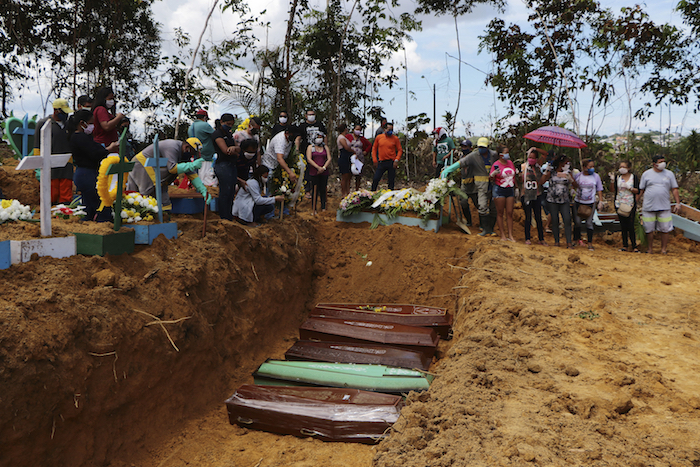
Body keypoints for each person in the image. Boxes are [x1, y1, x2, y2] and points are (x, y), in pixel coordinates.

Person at [127, 138, 207, 213]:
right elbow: (172, 168)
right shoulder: (172, 147)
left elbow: (191, 173)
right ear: (187, 147)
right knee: (145, 194)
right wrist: (192, 165)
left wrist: (203, 189)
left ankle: (164, 220)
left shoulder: (183, 153)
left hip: (153, 169)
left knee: (163, 199)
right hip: (142, 165)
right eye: (192, 153)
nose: (191, 156)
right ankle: (139, 218)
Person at [69, 109, 119, 221]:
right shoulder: (79, 137)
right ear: (82, 123)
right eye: (91, 123)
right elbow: (95, 153)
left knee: (90, 206)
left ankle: (90, 222)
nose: (92, 127)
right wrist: (109, 150)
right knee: (100, 205)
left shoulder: (82, 137)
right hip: (86, 174)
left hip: (87, 174)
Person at [442, 137, 498, 236]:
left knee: (493, 208)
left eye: (483, 147)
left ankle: (490, 229)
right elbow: (460, 163)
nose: (481, 149)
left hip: (494, 184)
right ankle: (485, 229)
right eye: (479, 147)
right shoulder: (473, 156)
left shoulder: (494, 155)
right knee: (482, 206)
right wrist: (448, 170)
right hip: (481, 185)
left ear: (488, 147)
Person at [33, 98, 75, 204]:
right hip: (50, 164)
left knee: (66, 195)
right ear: (56, 110)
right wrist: (38, 164)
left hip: (67, 164)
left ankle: (64, 215)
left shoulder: (69, 125)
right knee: (50, 194)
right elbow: (37, 146)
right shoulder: (43, 123)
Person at [639, 154, 681, 254]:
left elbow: (674, 189)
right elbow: (641, 190)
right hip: (649, 206)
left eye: (663, 161)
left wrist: (678, 203)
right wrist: (635, 202)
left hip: (664, 206)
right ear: (654, 164)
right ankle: (650, 249)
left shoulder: (669, 174)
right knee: (649, 229)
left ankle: (663, 249)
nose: (663, 163)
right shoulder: (646, 174)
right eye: (660, 162)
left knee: (665, 229)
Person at [541, 155, 578, 248]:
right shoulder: (552, 172)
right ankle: (556, 241)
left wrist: (570, 178)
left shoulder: (568, 173)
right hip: (552, 199)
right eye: (566, 163)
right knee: (555, 219)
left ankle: (568, 242)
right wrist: (546, 172)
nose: (567, 164)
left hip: (564, 199)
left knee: (567, 219)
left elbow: (576, 185)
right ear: (560, 163)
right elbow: (541, 182)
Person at [211, 113, 239, 221]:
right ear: (221, 122)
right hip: (223, 165)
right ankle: (224, 217)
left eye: (231, 124)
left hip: (231, 165)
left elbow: (237, 149)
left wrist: (234, 149)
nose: (230, 126)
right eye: (228, 124)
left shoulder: (229, 134)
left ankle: (229, 215)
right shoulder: (217, 134)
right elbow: (226, 150)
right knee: (225, 192)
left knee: (231, 192)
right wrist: (233, 149)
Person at [573, 158, 604, 250]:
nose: (592, 168)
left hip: (590, 202)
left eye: (593, 167)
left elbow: (599, 189)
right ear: (584, 167)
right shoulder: (578, 175)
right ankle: (576, 239)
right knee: (577, 222)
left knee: (589, 222)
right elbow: (573, 185)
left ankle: (590, 242)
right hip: (578, 201)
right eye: (590, 167)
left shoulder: (596, 176)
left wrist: (601, 201)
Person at [609, 160, 640, 252]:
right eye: (620, 167)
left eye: (624, 167)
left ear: (629, 168)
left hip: (630, 203)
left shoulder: (633, 177)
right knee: (623, 225)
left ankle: (634, 246)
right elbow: (612, 190)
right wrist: (611, 180)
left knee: (630, 225)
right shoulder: (618, 177)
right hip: (619, 203)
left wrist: (629, 187)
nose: (621, 168)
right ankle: (625, 245)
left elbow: (637, 190)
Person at [490, 145, 516, 242]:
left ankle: (510, 234)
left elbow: (514, 176)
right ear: (501, 154)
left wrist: (516, 187)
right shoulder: (496, 164)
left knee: (509, 212)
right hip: (499, 189)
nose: (507, 154)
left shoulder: (510, 163)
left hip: (510, 189)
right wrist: (493, 174)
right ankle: (503, 235)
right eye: (505, 152)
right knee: (500, 212)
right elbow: (491, 178)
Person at [521, 147, 547, 245]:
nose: (531, 159)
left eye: (533, 157)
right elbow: (520, 179)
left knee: (538, 217)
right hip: (526, 194)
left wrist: (536, 149)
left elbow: (545, 154)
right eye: (530, 157)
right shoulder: (523, 167)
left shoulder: (538, 166)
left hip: (537, 194)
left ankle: (541, 238)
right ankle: (527, 238)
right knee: (528, 217)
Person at [188, 109, 217, 186]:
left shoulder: (191, 127)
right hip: (207, 156)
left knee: (198, 177)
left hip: (196, 156)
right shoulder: (205, 125)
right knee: (207, 180)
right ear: (204, 118)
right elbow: (216, 136)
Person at [371, 122, 402, 191]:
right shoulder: (379, 137)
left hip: (391, 162)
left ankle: (390, 195)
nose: (390, 131)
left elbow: (400, 150)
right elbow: (374, 149)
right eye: (388, 129)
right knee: (376, 179)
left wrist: (397, 160)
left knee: (391, 181)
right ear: (384, 129)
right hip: (381, 162)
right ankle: (372, 193)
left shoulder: (395, 139)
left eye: (391, 129)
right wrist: (374, 159)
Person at [307, 133, 331, 212]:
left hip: (324, 172)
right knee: (314, 190)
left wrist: (323, 168)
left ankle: (323, 207)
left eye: (321, 137)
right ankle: (314, 208)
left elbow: (329, 158)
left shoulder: (325, 147)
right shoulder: (311, 147)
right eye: (318, 137)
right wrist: (317, 167)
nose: (319, 139)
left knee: (323, 189)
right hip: (314, 172)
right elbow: (309, 159)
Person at [457, 139, 478, 226]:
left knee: (478, 204)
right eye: (462, 146)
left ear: (470, 148)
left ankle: (484, 223)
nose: (463, 148)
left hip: (474, 184)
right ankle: (469, 221)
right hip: (464, 184)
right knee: (463, 202)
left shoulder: (474, 158)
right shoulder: (461, 158)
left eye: (465, 146)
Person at [346, 124, 371, 191]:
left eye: (359, 130)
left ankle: (357, 189)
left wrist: (366, 151)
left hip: (359, 159)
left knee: (358, 175)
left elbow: (369, 145)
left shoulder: (362, 138)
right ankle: (348, 190)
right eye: (357, 129)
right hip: (350, 157)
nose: (358, 131)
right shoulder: (348, 136)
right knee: (348, 174)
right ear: (353, 129)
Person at [337, 124, 354, 197]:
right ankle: (343, 193)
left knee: (349, 175)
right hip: (344, 156)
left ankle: (348, 191)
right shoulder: (341, 137)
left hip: (348, 157)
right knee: (345, 175)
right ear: (345, 129)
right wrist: (354, 151)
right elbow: (346, 147)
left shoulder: (344, 137)